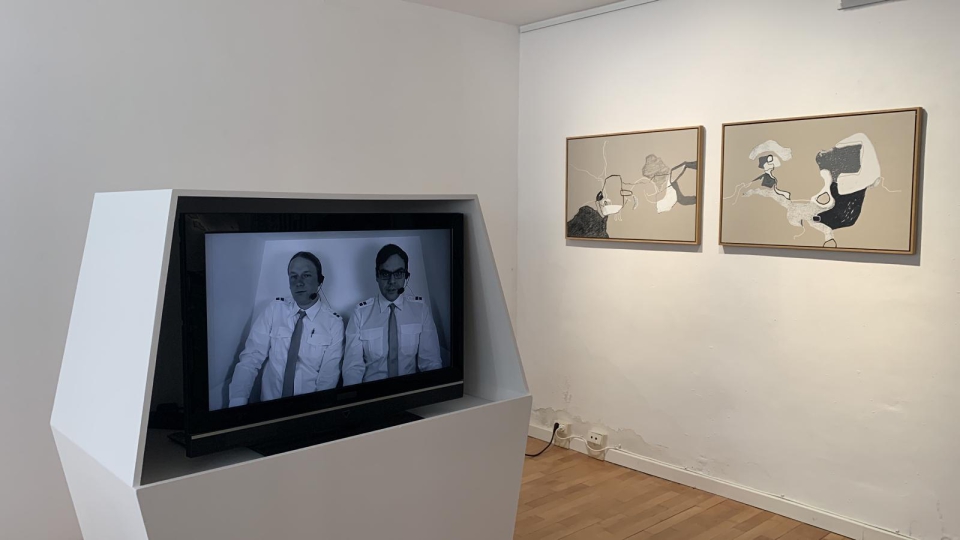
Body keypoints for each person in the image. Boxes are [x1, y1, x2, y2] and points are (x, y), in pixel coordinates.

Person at [228, 252, 344, 407]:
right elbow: (251, 358)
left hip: (308, 409)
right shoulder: (275, 309)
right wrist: (237, 403)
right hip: (269, 407)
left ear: (319, 280)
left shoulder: (334, 323)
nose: (299, 282)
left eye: (306, 275)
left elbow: (328, 378)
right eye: (293, 276)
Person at [342, 244, 442, 385]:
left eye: (398, 273)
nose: (392, 281)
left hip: (410, 390)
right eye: (385, 274)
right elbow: (352, 369)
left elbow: (431, 363)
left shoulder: (420, 310)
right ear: (377, 275)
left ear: (406, 276)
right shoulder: (360, 313)